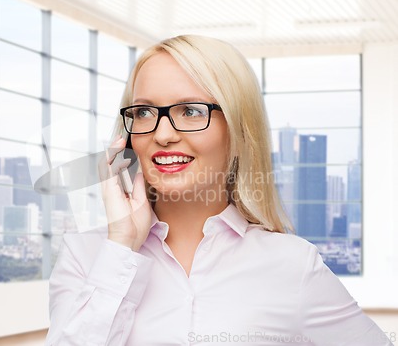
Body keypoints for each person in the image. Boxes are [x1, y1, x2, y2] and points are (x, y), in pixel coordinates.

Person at [45, 35, 393, 345]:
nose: (163, 134)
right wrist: (122, 243)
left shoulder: (291, 264)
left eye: (192, 111)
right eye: (145, 112)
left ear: (239, 130)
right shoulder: (86, 256)